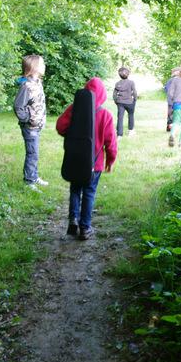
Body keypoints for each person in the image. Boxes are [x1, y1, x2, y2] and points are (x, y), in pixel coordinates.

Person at [56, 77, 117, 240]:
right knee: (89, 193)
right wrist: (110, 160)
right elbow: (110, 142)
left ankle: (73, 220)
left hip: (75, 160)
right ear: (103, 95)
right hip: (94, 164)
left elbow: (60, 127)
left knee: (75, 189)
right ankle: (85, 228)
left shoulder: (74, 109)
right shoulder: (105, 115)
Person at [13, 54, 48, 189]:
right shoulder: (26, 86)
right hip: (30, 126)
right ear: (34, 68)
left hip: (36, 125)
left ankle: (34, 175)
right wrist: (27, 119)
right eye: (41, 64)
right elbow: (18, 106)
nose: (44, 66)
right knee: (32, 153)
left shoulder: (37, 83)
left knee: (35, 152)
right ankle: (29, 181)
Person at [113, 66, 137, 138]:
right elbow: (135, 92)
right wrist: (135, 99)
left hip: (120, 102)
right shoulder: (131, 82)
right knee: (131, 115)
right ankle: (131, 131)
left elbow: (114, 94)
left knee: (120, 118)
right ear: (128, 74)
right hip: (129, 102)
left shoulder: (117, 83)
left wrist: (116, 101)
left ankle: (119, 134)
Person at [164, 67, 180, 132]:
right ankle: (171, 127)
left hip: (171, 100)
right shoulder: (173, 80)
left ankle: (169, 127)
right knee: (174, 114)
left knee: (170, 114)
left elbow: (165, 89)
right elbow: (167, 89)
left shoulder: (170, 80)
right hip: (175, 100)